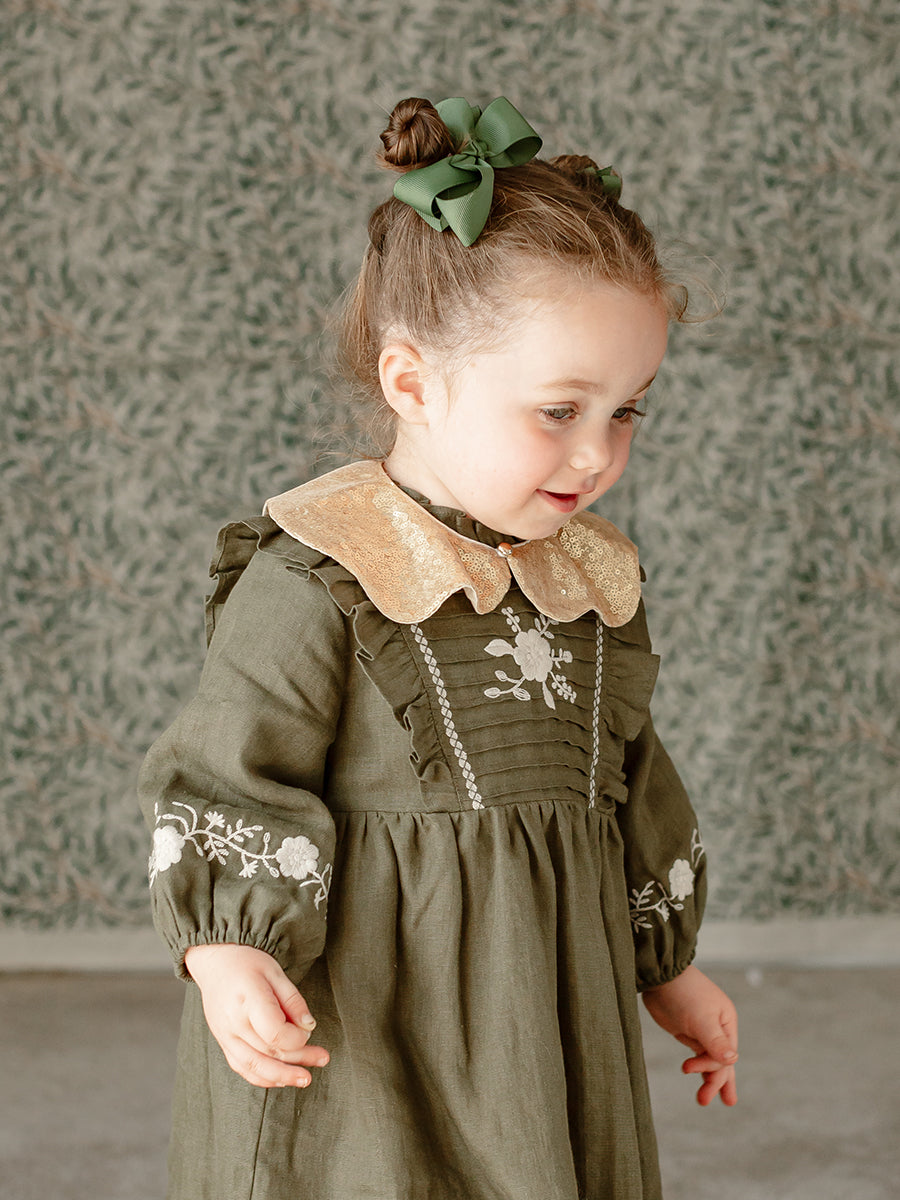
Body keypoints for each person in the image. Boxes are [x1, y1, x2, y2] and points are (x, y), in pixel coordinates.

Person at [140, 95, 738, 1200]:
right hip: (372, 1025)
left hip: (544, 1017)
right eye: (559, 411)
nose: (597, 455)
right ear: (411, 382)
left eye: (627, 412)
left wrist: (668, 965)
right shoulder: (323, 571)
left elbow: (632, 786)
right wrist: (230, 947)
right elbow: (230, 771)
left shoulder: (587, 583)